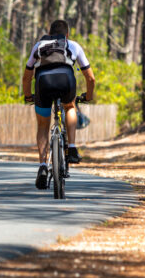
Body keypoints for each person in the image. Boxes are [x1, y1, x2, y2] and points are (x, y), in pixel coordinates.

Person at [21, 19, 96, 190]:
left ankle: (42, 166)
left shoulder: (39, 46)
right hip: (65, 81)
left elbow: (27, 77)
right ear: (66, 34)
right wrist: (88, 96)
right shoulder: (73, 46)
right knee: (69, 107)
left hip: (43, 83)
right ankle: (72, 148)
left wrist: (28, 96)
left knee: (42, 126)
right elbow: (90, 78)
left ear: (50, 32)